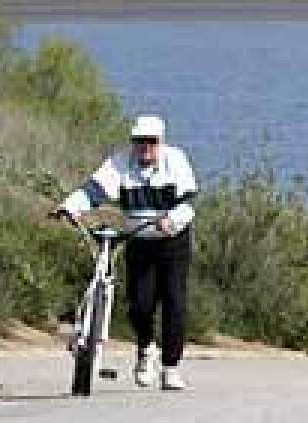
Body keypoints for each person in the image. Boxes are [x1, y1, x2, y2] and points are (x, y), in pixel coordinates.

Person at [50, 115, 197, 392]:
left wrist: (171, 220)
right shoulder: (120, 162)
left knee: (174, 302)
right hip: (138, 239)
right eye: (140, 142)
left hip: (171, 240)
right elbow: (94, 190)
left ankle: (170, 367)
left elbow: (187, 204)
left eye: (151, 142)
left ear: (161, 142)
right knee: (140, 304)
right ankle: (146, 350)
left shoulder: (175, 161)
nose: (145, 148)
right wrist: (69, 207)